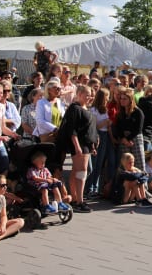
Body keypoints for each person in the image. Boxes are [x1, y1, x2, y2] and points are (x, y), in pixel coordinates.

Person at [56, 85, 98, 213]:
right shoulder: (74, 108)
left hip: (87, 145)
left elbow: (90, 130)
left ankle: (75, 199)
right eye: (86, 94)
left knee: (76, 171)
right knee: (82, 171)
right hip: (80, 145)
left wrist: (93, 146)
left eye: (90, 94)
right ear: (79, 94)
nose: (89, 97)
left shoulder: (87, 109)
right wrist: (77, 146)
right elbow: (72, 130)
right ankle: (80, 201)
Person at [112, 88, 146, 171]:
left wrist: (128, 139)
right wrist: (123, 139)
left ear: (130, 100)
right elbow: (117, 127)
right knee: (125, 163)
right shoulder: (120, 112)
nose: (122, 101)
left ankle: (141, 178)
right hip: (123, 139)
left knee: (139, 162)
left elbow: (138, 128)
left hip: (135, 138)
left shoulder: (138, 112)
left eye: (124, 99)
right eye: (121, 99)